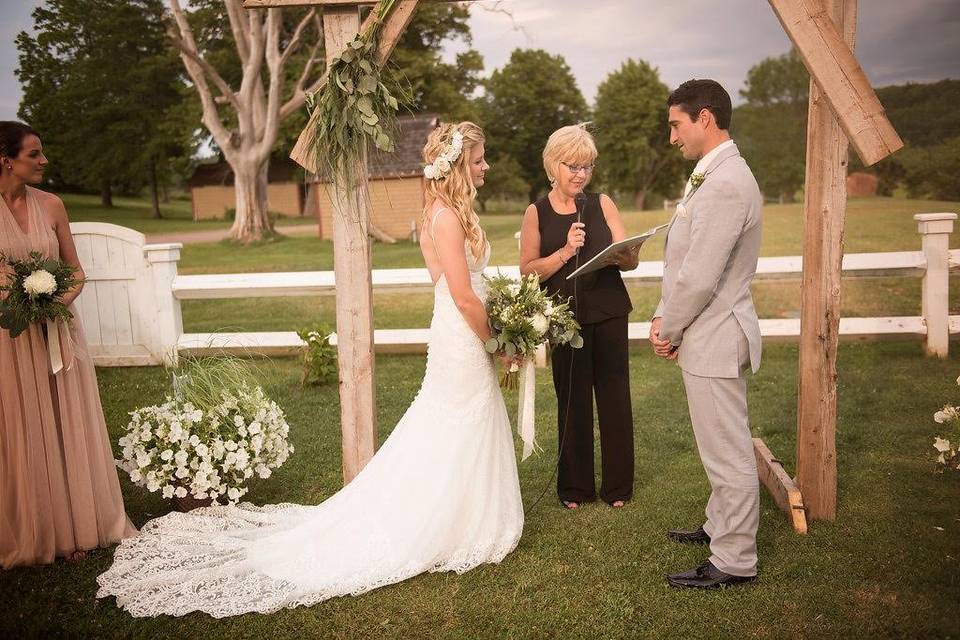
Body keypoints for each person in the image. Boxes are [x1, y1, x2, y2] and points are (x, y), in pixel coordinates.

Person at [97, 122, 524, 618]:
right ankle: (444, 522)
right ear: (457, 166)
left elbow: (440, 282)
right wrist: (496, 341)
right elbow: (462, 293)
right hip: (463, 332)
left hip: (452, 328)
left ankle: (462, 516)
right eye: (479, 159)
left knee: (451, 422)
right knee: (454, 422)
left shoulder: (439, 212)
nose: (486, 166)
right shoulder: (447, 218)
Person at [0, 121, 136, 569]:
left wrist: (55, 301)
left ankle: (80, 526)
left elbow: (75, 270)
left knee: (64, 422)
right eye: (34, 154)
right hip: (9, 339)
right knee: (21, 427)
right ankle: (39, 529)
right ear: (6, 160)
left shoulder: (53, 205)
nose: (44, 161)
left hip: (57, 329)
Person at [650, 80, 763, 589]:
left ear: (706, 119)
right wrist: (664, 317)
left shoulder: (725, 184)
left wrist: (667, 328)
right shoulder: (712, 176)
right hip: (707, 330)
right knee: (716, 444)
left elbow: (700, 275)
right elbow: (684, 261)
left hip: (715, 332)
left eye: (676, 124)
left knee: (728, 451)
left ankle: (735, 560)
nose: (671, 136)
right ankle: (719, 526)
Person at [519, 124, 640, 510]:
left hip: (608, 312)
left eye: (587, 166)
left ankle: (618, 487)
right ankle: (576, 489)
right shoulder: (535, 212)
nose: (581, 174)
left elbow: (630, 259)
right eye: (573, 165)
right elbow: (527, 271)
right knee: (572, 401)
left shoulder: (603, 204)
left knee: (614, 398)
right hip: (562, 319)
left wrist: (627, 256)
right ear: (553, 165)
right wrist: (564, 253)